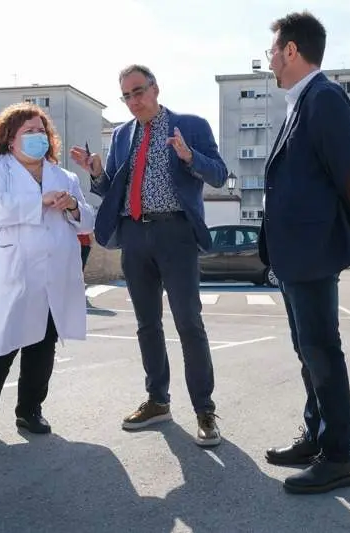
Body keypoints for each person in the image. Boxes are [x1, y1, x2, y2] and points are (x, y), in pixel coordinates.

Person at [70, 64, 227, 447]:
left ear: (155, 89)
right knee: (146, 324)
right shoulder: (122, 135)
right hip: (134, 235)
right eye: (126, 96)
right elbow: (114, 189)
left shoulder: (190, 125)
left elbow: (220, 175)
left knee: (189, 323)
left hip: (176, 233)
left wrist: (190, 157)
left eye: (138, 91)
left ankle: (204, 409)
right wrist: (95, 173)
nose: (133, 101)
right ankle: (158, 400)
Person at [259, 12, 350, 494]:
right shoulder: (299, 101)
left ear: (291, 50)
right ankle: (316, 436)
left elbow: (348, 170)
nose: (269, 60)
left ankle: (337, 456)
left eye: (272, 51)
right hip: (293, 251)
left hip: (311, 248)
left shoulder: (324, 98)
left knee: (322, 350)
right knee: (307, 349)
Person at [0, 103, 95, 444]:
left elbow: (87, 220)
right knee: (1, 347)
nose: (38, 137)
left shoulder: (63, 175)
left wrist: (72, 206)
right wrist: (40, 201)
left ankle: (29, 410)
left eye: (41, 131)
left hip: (55, 273)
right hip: (14, 271)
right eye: (29, 131)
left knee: (43, 346)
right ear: (10, 140)